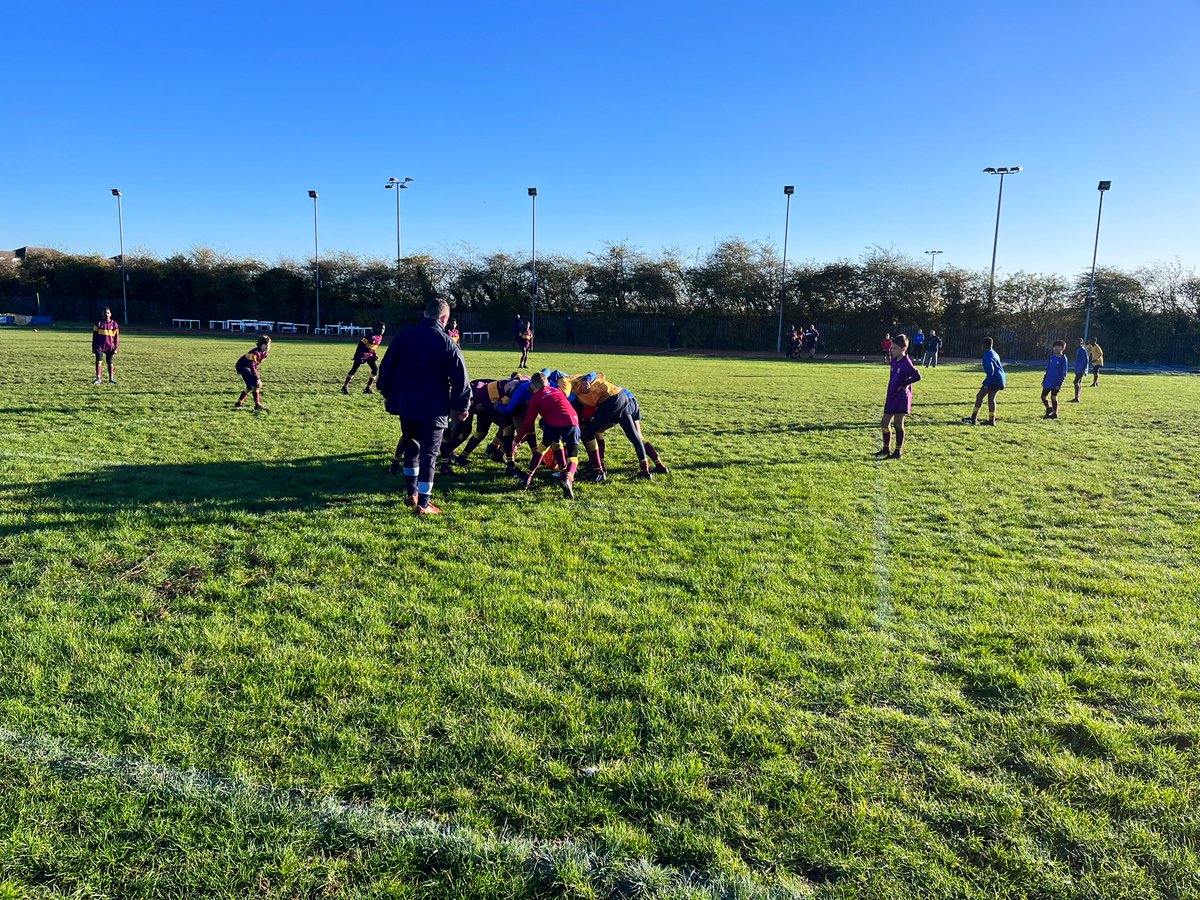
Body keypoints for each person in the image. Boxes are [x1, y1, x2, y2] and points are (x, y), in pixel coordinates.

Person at [376, 298, 470, 515]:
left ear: (424, 314)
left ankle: (412, 493)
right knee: (429, 454)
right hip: (434, 406)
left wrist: (388, 393)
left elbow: (386, 367)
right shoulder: (447, 343)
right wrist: (461, 406)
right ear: (444, 318)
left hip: (407, 404)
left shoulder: (404, 336)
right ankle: (424, 504)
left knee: (412, 447)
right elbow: (460, 379)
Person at [559, 371, 668, 481]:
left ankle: (598, 470)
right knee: (635, 436)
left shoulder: (565, 382)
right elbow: (597, 373)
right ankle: (647, 470)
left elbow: (564, 395)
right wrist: (587, 379)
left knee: (589, 432)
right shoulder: (581, 380)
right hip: (623, 396)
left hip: (614, 400)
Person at [513, 371, 580, 499]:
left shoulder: (536, 398)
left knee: (542, 448)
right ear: (548, 383)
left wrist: (517, 440)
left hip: (553, 423)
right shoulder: (557, 391)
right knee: (573, 456)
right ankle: (568, 478)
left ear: (532, 387)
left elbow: (528, 423)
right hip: (573, 421)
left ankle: (527, 478)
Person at [875, 334, 921, 460]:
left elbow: (917, 376)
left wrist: (904, 384)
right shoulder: (894, 361)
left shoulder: (906, 362)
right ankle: (885, 449)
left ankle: (897, 452)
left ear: (903, 349)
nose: (892, 350)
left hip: (901, 397)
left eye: (894, 348)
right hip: (892, 395)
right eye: (891, 348)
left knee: (898, 424)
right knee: (884, 423)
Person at [963, 336, 1006, 426]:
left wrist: (986, 384)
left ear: (984, 345)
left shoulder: (987, 355)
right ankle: (991, 420)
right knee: (991, 399)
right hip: (1000, 378)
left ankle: (973, 418)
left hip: (993, 378)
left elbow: (991, 371)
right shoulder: (994, 353)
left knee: (979, 396)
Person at [341, 322, 385, 394]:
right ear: (376, 328)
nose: (382, 330)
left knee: (375, 370)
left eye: (383, 329)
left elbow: (373, 348)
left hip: (369, 355)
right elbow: (361, 345)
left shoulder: (380, 337)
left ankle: (368, 388)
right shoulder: (369, 336)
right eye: (381, 328)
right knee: (354, 370)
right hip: (361, 354)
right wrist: (359, 356)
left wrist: (374, 354)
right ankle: (345, 386)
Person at [234, 335, 271, 411]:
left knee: (250, 387)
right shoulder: (254, 353)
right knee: (256, 383)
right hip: (242, 367)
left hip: (248, 367)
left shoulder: (265, 354)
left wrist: (256, 375)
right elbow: (252, 365)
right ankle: (257, 405)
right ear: (260, 345)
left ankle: (239, 403)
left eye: (269, 345)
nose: (267, 346)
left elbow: (255, 365)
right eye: (265, 345)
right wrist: (256, 377)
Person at [91, 307, 119, 384]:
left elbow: (116, 338)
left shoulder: (115, 325)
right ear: (102, 314)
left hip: (110, 347)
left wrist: (116, 348)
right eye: (104, 313)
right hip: (99, 347)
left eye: (107, 313)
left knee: (109, 362)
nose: (106, 314)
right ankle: (98, 378)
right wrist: (93, 346)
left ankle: (111, 378)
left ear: (110, 314)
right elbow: (94, 336)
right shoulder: (98, 324)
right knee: (98, 361)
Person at [1042, 340, 1068, 419]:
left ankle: (1055, 413)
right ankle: (1048, 408)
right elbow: (1048, 369)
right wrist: (1044, 379)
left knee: (1053, 397)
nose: (1056, 348)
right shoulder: (1052, 358)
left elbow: (1063, 372)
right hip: (1048, 381)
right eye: (1055, 346)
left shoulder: (1063, 359)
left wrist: (1059, 384)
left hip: (1056, 382)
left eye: (1058, 347)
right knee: (1043, 396)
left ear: (1062, 348)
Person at [1070, 337, 1090, 402]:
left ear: (1082, 343)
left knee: (1076, 382)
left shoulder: (1082, 350)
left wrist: (1084, 369)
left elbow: (1086, 360)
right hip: (1078, 368)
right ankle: (1077, 397)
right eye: (1076, 342)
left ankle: (1076, 398)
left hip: (1081, 369)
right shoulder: (1078, 350)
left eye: (1078, 343)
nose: (1077, 344)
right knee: (1079, 382)